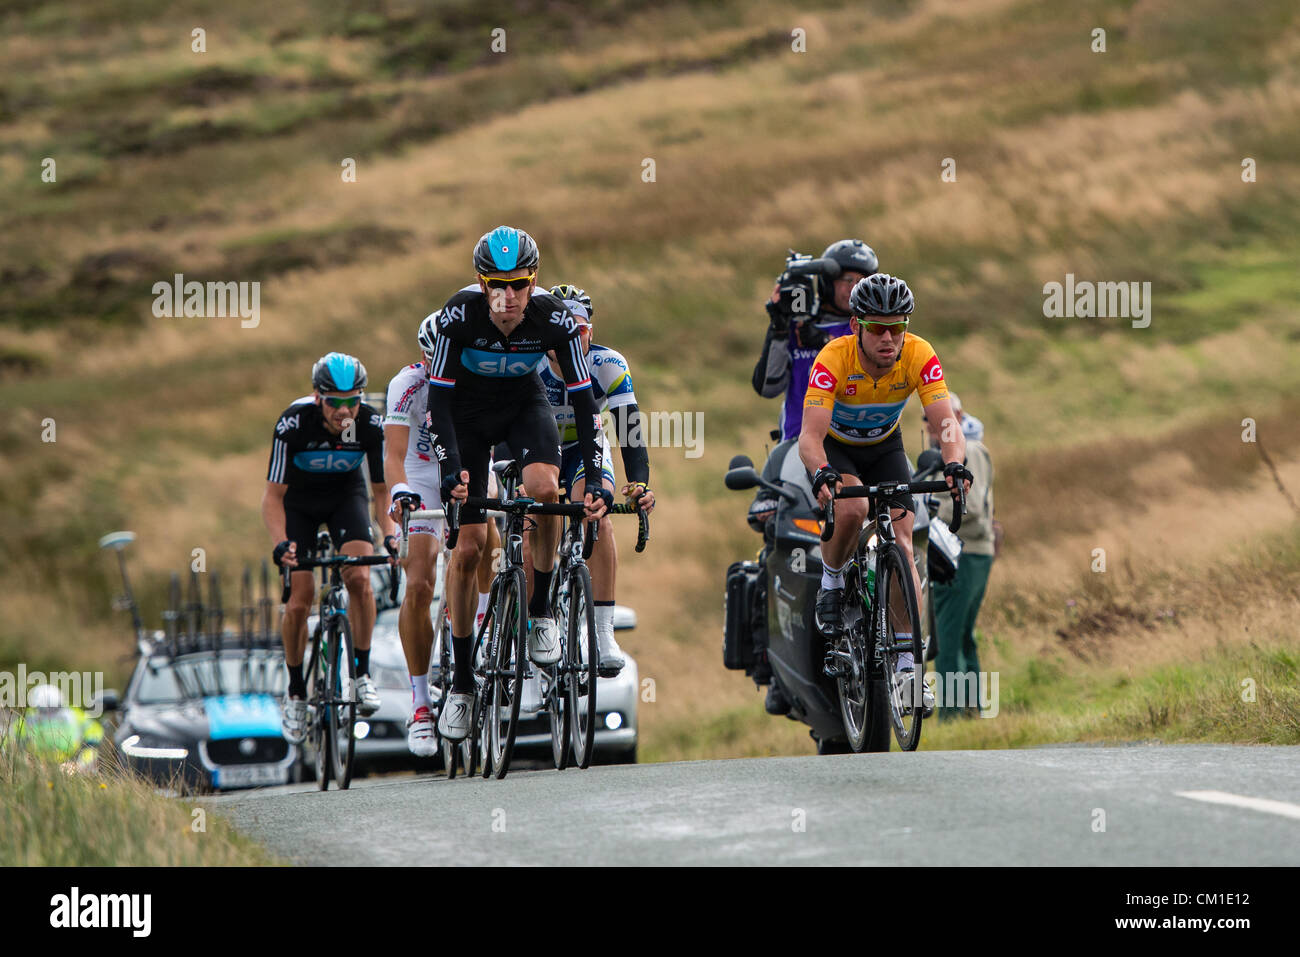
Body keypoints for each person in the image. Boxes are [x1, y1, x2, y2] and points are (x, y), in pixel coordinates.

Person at [424, 226, 609, 743]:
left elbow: (585, 402)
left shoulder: (555, 319)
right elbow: (437, 402)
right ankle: (462, 683)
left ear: (535, 281)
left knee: (546, 492)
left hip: (523, 409)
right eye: (496, 285)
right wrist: (450, 469)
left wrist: (595, 477)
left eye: (519, 285)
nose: (507, 298)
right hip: (466, 417)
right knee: (469, 549)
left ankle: (541, 608)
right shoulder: (457, 314)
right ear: (481, 283)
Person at [798, 273, 971, 715]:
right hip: (838, 448)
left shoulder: (919, 353)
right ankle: (832, 583)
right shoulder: (832, 358)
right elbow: (809, 440)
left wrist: (954, 462)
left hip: (886, 447)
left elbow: (945, 422)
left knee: (903, 535)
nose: (890, 337)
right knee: (853, 507)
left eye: (899, 326)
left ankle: (908, 667)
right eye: (878, 327)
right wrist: (821, 474)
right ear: (856, 325)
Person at [263, 353, 397, 743]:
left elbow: (380, 490)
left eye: (352, 400)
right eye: (334, 401)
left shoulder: (370, 423)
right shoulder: (293, 423)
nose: (344, 410)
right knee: (300, 598)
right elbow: (272, 497)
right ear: (317, 397)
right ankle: (294, 692)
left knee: (360, 577)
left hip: (345, 497)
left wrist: (389, 534)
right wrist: (280, 544)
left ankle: (361, 673)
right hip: (298, 504)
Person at [538, 284, 655, 675]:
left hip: (584, 448)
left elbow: (630, 430)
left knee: (598, 513)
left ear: (592, 331)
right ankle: (531, 623)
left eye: (582, 332)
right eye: (565, 333)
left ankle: (602, 632)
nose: (573, 341)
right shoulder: (531, 363)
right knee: (534, 519)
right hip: (536, 447)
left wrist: (639, 483)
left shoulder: (609, 364)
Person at [753, 239, 879, 441]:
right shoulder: (797, 324)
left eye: (860, 281)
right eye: (846, 279)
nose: (853, 288)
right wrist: (779, 328)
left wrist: (824, 341)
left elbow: (872, 373)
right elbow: (767, 388)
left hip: (855, 443)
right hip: (798, 441)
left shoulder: (871, 328)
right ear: (827, 282)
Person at [926, 391, 996, 720]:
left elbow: (974, 506)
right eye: (928, 419)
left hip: (965, 552)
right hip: (958, 551)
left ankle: (951, 715)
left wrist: (928, 513)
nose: (933, 426)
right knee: (962, 634)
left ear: (957, 415)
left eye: (941, 419)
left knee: (949, 634)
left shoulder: (973, 450)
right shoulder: (934, 455)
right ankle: (973, 713)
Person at [3, 684, 102, 771]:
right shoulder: (28, 719)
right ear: (36, 708)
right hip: (36, 769)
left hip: (73, 766)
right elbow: (8, 741)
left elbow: (96, 732)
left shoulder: (74, 715)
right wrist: (26, 763)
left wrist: (79, 765)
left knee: (92, 751)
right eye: (44, 710)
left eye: (53, 709)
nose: (49, 714)